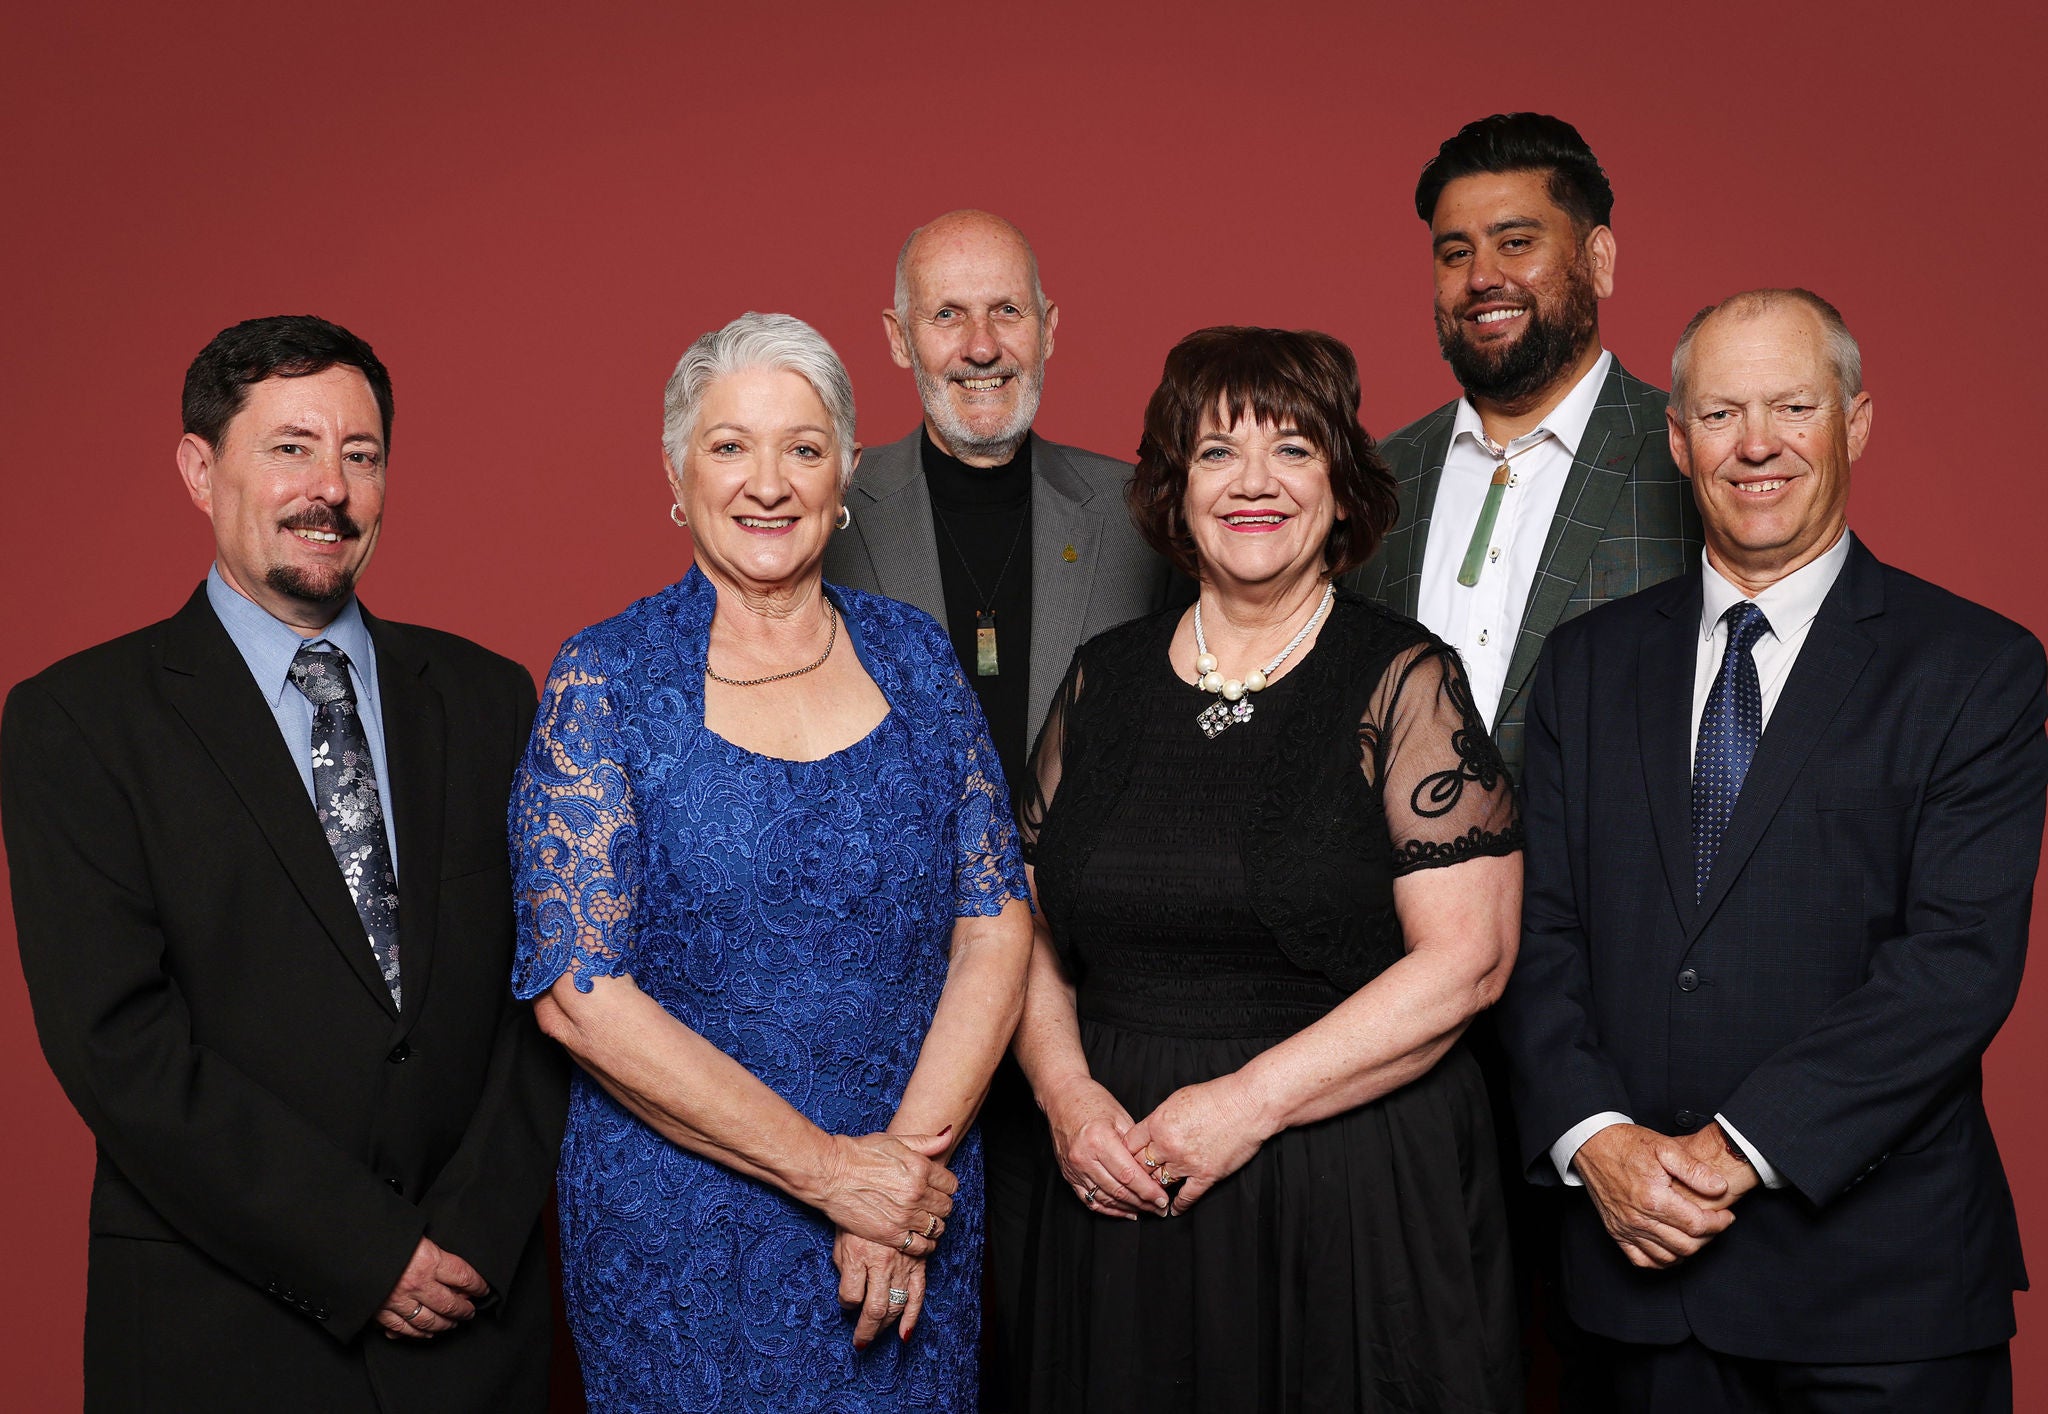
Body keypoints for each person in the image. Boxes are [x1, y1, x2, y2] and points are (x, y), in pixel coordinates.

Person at [2, 315, 568, 1412]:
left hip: (476, 1327)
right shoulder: (78, 722)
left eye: (361, 454)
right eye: (291, 448)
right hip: (220, 1337)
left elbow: (547, 990)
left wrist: (472, 1232)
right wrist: (367, 1253)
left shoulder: (489, 698)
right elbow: (119, 1047)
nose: (332, 490)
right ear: (198, 468)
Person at [1497, 289, 2044, 1412]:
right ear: (1677, 439)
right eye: (1721, 413)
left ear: (1855, 424)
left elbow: (1954, 966)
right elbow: (1533, 931)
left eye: (1794, 407)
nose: (1756, 444)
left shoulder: (1976, 669)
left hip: (1880, 1299)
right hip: (1633, 1289)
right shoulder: (1585, 665)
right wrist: (1593, 1138)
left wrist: (1733, 1148)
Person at [513, 311, 1034, 1412]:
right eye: (729, 446)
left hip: (913, 1212)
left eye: (802, 447)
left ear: (845, 472)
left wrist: (895, 1179)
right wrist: (832, 1174)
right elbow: (578, 994)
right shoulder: (605, 679)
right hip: (684, 1235)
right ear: (677, 472)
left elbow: (994, 924)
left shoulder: (916, 656)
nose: (768, 483)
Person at [1014, 325, 1525, 1410]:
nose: (1254, 482)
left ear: (1339, 489)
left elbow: (1469, 961)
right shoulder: (1101, 679)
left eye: (1292, 449)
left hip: (1342, 1187)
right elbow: (1026, 929)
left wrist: (1245, 1106)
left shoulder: (1403, 680)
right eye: (1217, 452)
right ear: (1175, 488)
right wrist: (1066, 1098)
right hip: (1114, 1172)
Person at [822, 208, 1179, 1404]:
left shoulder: (1141, 514)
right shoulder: (818, 507)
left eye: (1005, 311)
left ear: (1049, 327)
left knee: (1075, 1366)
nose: (979, 344)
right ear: (896, 338)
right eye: (946, 314)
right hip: (886, 1031)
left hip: (1092, 1023)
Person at [1342, 112, 1701, 781]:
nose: (1482, 278)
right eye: (1456, 254)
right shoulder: (1376, 479)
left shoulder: (1691, 456)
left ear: (1598, 260)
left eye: (1515, 243)